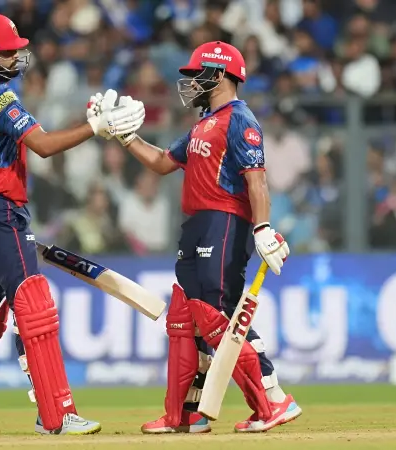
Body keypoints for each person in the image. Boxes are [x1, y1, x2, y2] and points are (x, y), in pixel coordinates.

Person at [0, 13, 142, 437]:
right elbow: (44, 146)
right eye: (8, 51)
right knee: (32, 305)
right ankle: (55, 414)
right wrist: (96, 127)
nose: (17, 58)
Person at [101, 41, 301, 434]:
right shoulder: (204, 122)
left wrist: (262, 227)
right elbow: (163, 162)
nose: (191, 82)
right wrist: (126, 138)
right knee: (190, 318)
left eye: (198, 74)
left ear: (221, 74)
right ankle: (187, 412)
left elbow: (256, 180)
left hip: (225, 222)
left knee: (218, 313)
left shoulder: (240, 119)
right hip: (196, 224)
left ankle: (273, 398)